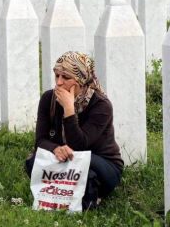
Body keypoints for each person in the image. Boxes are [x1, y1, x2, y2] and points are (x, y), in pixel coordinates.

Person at [25, 51, 124, 210]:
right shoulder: (48, 99)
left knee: (87, 169)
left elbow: (80, 145)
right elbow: (40, 141)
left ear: (81, 80)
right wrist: (56, 149)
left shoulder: (101, 105)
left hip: (100, 162)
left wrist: (69, 110)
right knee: (32, 161)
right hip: (64, 159)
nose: (58, 82)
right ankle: (73, 189)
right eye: (57, 75)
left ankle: (87, 192)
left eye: (65, 77)